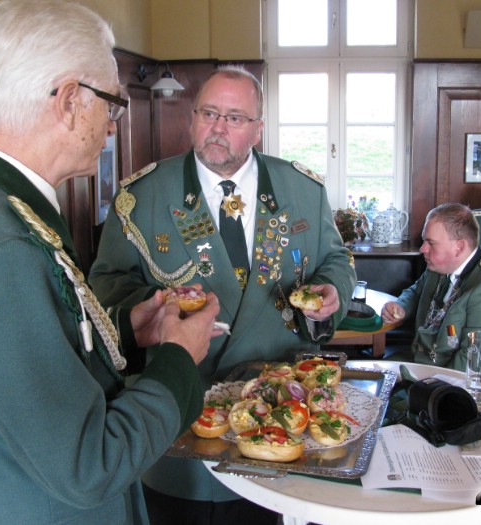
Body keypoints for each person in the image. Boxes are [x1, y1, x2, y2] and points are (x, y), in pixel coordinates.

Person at [0, 1, 221, 523]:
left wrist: (124, 331)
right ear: (71, 101)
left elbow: (4, 368)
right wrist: (178, 359)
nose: (112, 127)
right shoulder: (2, 247)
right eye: (111, 104)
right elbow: (88, 466)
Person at [89, 65, 356, 524]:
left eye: (234, 118)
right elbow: (106, 285)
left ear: (258, 129)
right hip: (182, 424)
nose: (218, 127)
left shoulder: (302, 189)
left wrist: (332, 291)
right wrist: (156, 309)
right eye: (208, 113)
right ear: (192, 118)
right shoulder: (142, 196)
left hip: (280, 421)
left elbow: (336, 260)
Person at [381, 203, 481, 392]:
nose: (423, 249)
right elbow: (417, 291)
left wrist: (419, 389)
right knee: (369, 380)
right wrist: (401, 306)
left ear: (459, 247)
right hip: (430, 365)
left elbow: (473, 363)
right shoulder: (440, 266)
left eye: (431, 243)